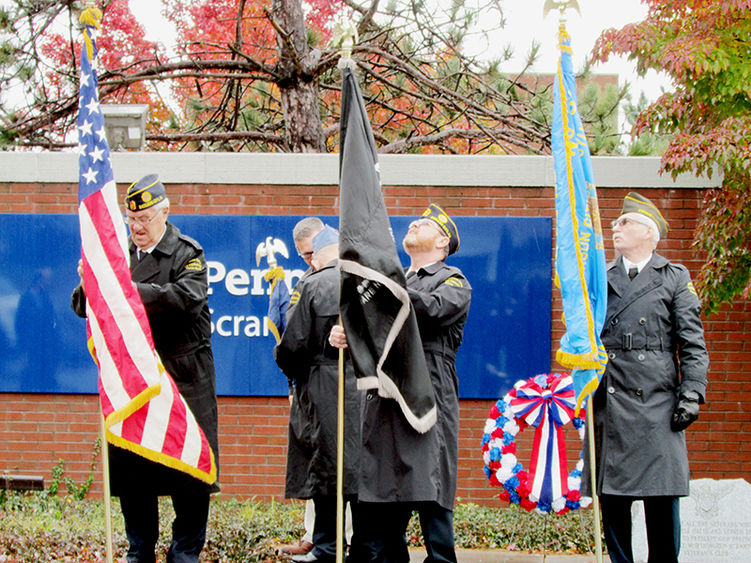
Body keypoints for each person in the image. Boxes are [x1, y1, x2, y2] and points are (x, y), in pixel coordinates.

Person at [72, 174, 219, 563]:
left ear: (165, 213)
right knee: (134, 473)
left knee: (188, 474)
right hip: (133, 384)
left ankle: (185, 551)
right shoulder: (116, 254)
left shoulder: (187, 252)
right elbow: (84, 305)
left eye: (146, 219)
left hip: (182, 382)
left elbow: (184, 299)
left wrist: (124, 290)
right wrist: (92, 285)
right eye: (131, 219)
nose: (137, 227)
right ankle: (139, 550)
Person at [330, 203, 471, 563]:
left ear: (442, 242)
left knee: (431, 503)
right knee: (379, 508)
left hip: (425, 398)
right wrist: (350, 334)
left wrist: (384, 290)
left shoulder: (452, 279)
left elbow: (434, 309)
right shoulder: (394, 281)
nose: (414, 224)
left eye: (424, 224)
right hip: (384, 402)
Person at [582, 192, 709, 563]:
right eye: (616, 222)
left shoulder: (674, 278)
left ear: (649, 232)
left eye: (625, 222)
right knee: (615, 511)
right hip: (612, 404)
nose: (615, 227)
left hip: (657, 406)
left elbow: (693, 344)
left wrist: (692, 393)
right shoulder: (599, 278)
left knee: (661, 507)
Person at [274, 226, 361, 563]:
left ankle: (326, 547)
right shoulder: (367, 283)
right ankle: (364, 547)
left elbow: (291, 345)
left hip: (323, 385)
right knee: (360, 471)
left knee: (327, 469)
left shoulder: (311, 283)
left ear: (321, 253)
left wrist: (292, 369)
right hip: (366, 389)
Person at [277, 216, 323, 558]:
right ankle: (314, 535)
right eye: (303, 255)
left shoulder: (339, 274)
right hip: (306, 384)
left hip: (334, 385)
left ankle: (338, 538)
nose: (309, 260)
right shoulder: (305, 279)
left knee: (334, 463)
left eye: (312, 252)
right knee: (314, 461)